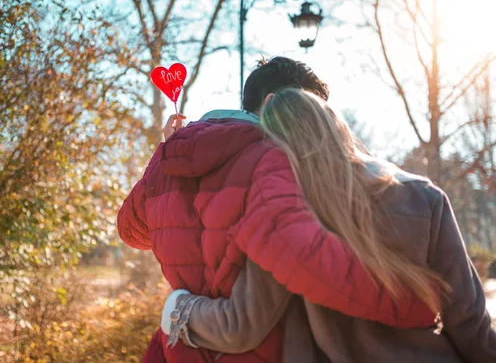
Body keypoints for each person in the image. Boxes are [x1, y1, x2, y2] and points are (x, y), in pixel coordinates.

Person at [117, 57, 439, 363]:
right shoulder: (272, 159)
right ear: (273, 103)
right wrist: (409, 302)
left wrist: (165, 158)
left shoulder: (169, 158)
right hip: (252, 351)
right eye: (309, 110)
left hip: (180, 349)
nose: (316, 126)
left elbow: (132, 230)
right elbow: (304, 257)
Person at [161, 87, 496, 363]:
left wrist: (178, 308)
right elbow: (470, 322)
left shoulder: (281, 214)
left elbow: (242, 325)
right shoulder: (422, 196)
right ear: (337, 126)